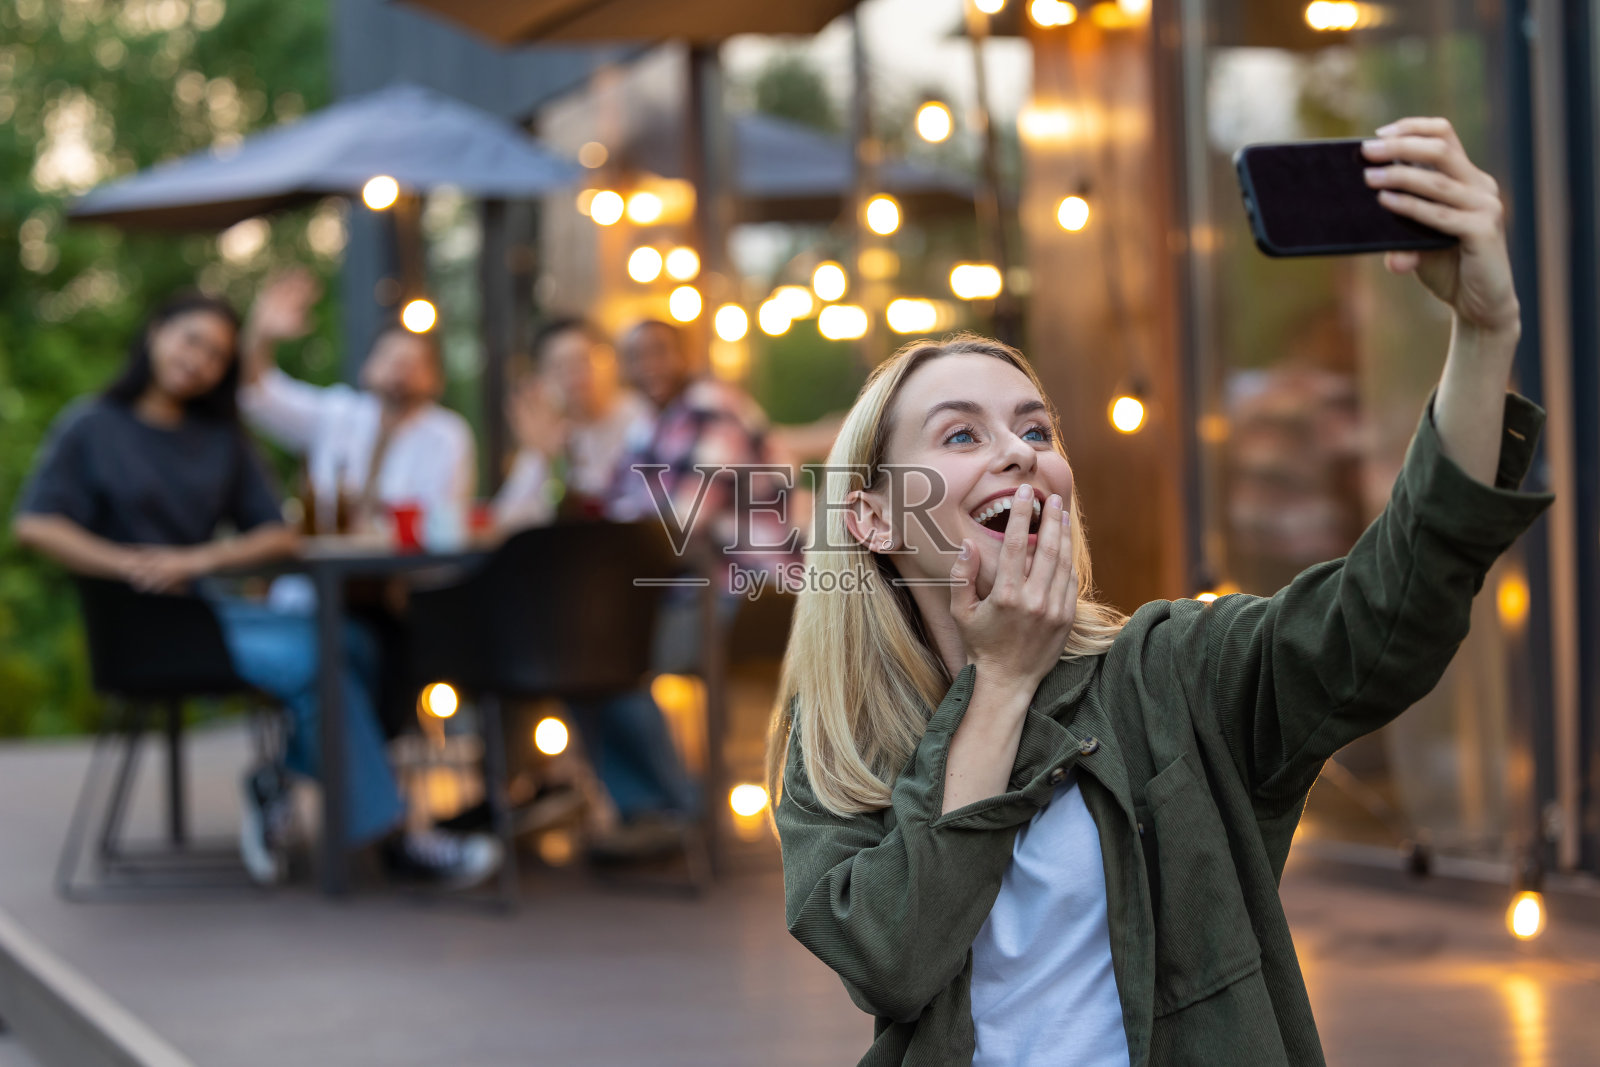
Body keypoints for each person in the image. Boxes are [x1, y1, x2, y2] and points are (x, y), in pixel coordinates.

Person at [767, 118, 1549, 1065]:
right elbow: (890, 960)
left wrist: (1483, 329)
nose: (1019, 451)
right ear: (874, 521)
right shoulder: (838, 740)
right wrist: (1003, 684)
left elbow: (1391, 606)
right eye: (962, 435)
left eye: (1034, 430)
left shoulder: (1170, 671)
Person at [11, 290, 501, 890]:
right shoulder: (93, 426)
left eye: (218, 354)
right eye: (191, 340)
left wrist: (199, 558)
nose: (200, 360)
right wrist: (127, 563)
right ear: (157, 333)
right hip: (140, 623)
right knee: (321, 656)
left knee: (360, 643)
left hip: (207, 607)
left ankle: (279, 780)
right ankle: (395, 839)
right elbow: (35, 524)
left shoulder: (221, 438)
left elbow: (278, 533)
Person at [240, 270, 476, 539]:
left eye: (414, 364)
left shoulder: (447, 433)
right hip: (324, 571)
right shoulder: (336, 412)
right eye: (390, 358)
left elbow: (444, 521)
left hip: (409, 576)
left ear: (436, 379)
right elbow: (257, 395)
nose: (401, 371)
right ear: (367, 367)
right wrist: (260, 335)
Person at [493, 317, 653, 528]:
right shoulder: (551, 434)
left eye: (582, 361)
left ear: (608, 362)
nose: (573, 375)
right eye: (559, 366)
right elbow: (507, 518)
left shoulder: (639, 416)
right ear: (543, 379)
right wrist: (542, 457)